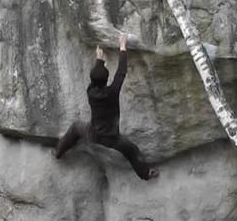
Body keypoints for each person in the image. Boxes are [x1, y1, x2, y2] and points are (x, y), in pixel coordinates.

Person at [54, 32, 159, 180]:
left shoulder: (91, 91)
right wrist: (123, 46)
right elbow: (121, 73)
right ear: (106, 79)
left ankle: (59, 152)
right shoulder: (112, 92)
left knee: (75, 128)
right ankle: (146, 173)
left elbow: (98, 76)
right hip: (112, 137)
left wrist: (99, 59)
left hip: (93, 134)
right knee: (131, 150)